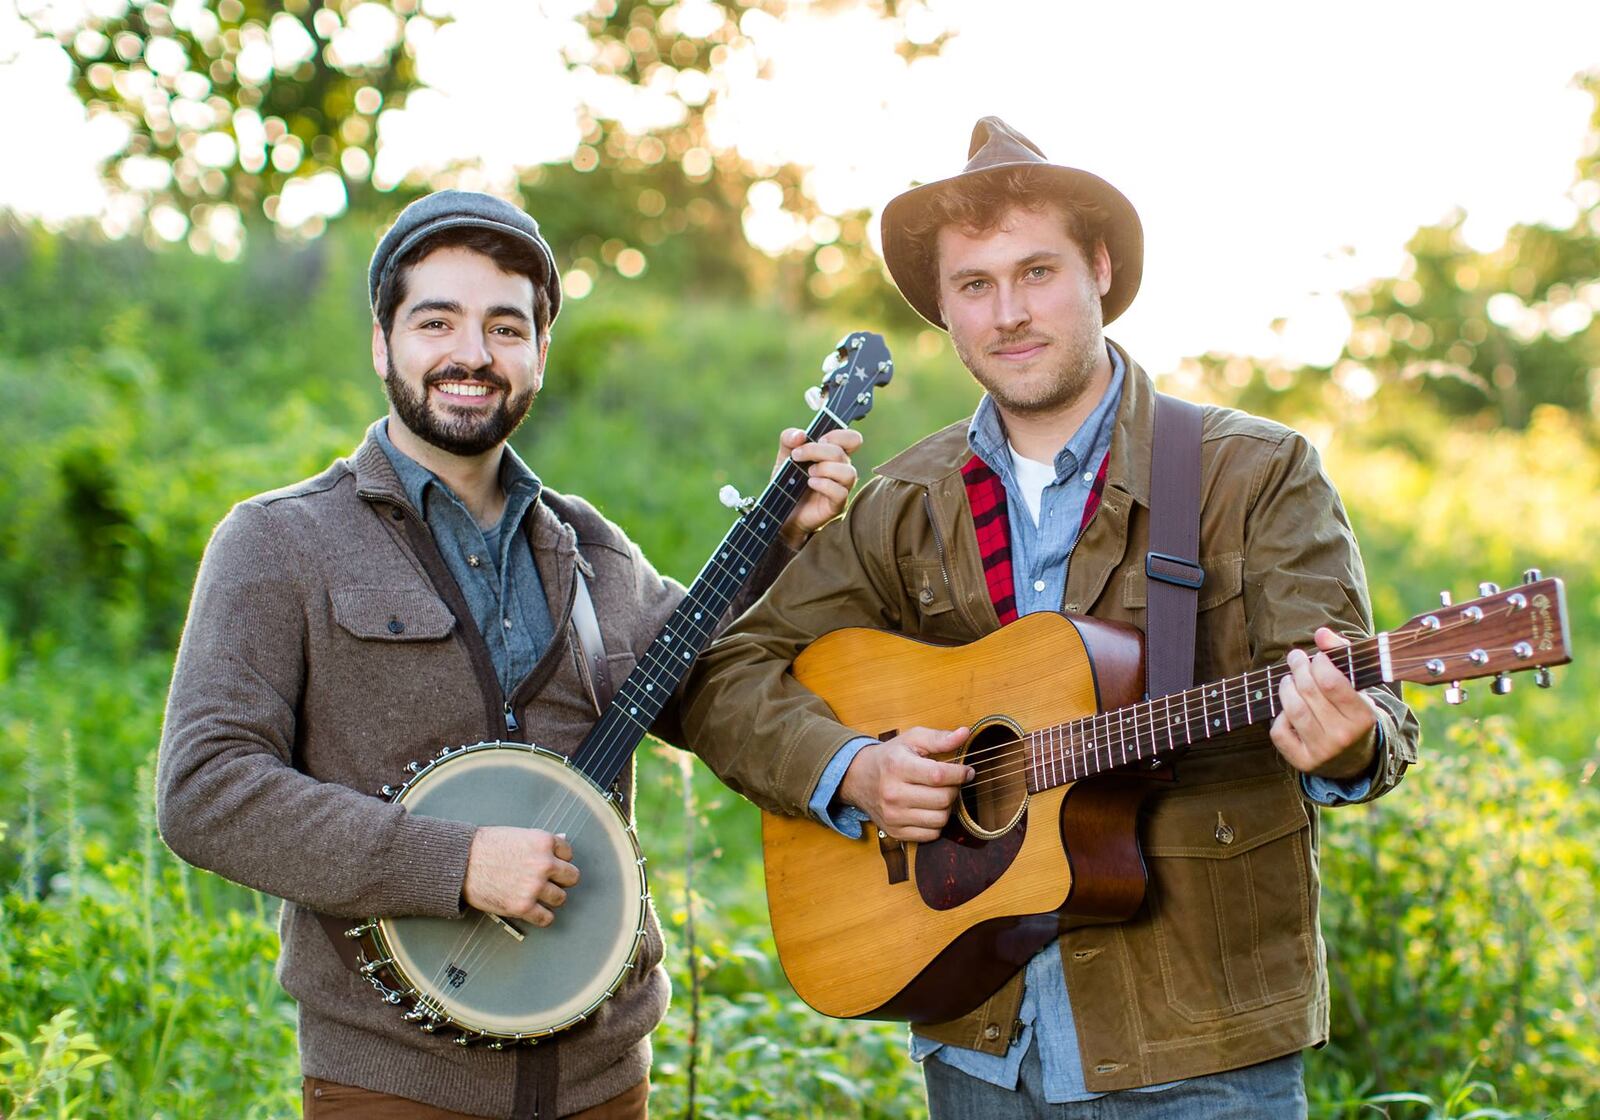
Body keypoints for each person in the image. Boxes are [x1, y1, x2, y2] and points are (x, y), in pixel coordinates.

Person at [681, 118, 1420, 1118]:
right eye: (975, 284)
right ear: (943, 306)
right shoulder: (906, 499)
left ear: (1100, 270)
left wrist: (1344, 742)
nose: (1008, 312)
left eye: (1036, 272)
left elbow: (1364, 707)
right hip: (976, 1035)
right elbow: (725, 672)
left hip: (1198, 1049)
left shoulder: (1251, 473)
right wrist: (853, 768)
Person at [155, 189, 861, 1120]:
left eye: (505, 327)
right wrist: (450, 863)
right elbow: (206, 790)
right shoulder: (279, 544)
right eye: (436, 321)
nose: (472, 355)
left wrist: (783, 539)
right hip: (394, 1085)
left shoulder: (590, 547)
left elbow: (699, 692)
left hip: (605, 1081)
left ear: (537, 353)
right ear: (383, 342)